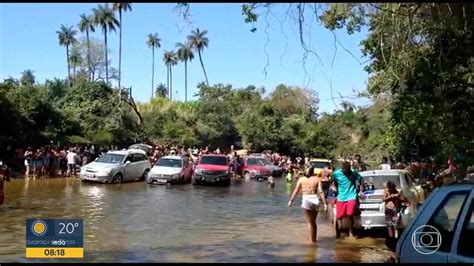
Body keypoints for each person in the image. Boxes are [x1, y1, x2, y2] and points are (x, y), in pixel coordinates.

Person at [288, 166, 328, 243]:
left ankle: (311, 241)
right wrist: (325, 203)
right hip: (315, 199)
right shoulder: (317, 179)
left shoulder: (301, 180)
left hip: (307, 199)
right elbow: (320, 191)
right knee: (314, 221)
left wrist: (291, 201)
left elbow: (296, 191)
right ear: (313, 172)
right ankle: (314, 240)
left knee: (309, 222)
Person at [332, 161, 364, 238]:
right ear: (342, 169)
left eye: (348, 171)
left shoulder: (353, 172)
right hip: (341, 197)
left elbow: (361, 180)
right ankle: (339, 230)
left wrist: (360, 191)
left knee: (350, 214)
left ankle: (351, 231)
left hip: (351, 196)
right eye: (345, 171)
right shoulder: (336, 173)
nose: (346, 172)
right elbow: (334, 182)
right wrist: (335, 190)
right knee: (339, 216)